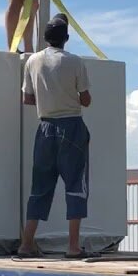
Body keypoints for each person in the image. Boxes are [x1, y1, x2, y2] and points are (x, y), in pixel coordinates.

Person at [18, 14, 92, 258]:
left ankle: (26, 244)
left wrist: (47, 97)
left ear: (45, 38)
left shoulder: (33, 61)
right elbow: (86, 100)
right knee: (76, 185)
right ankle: (73, 246)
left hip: (45, 128)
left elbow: (27, 98)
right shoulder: (75, 61)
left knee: (40, 186)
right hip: (71, 127)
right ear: (66, 38)